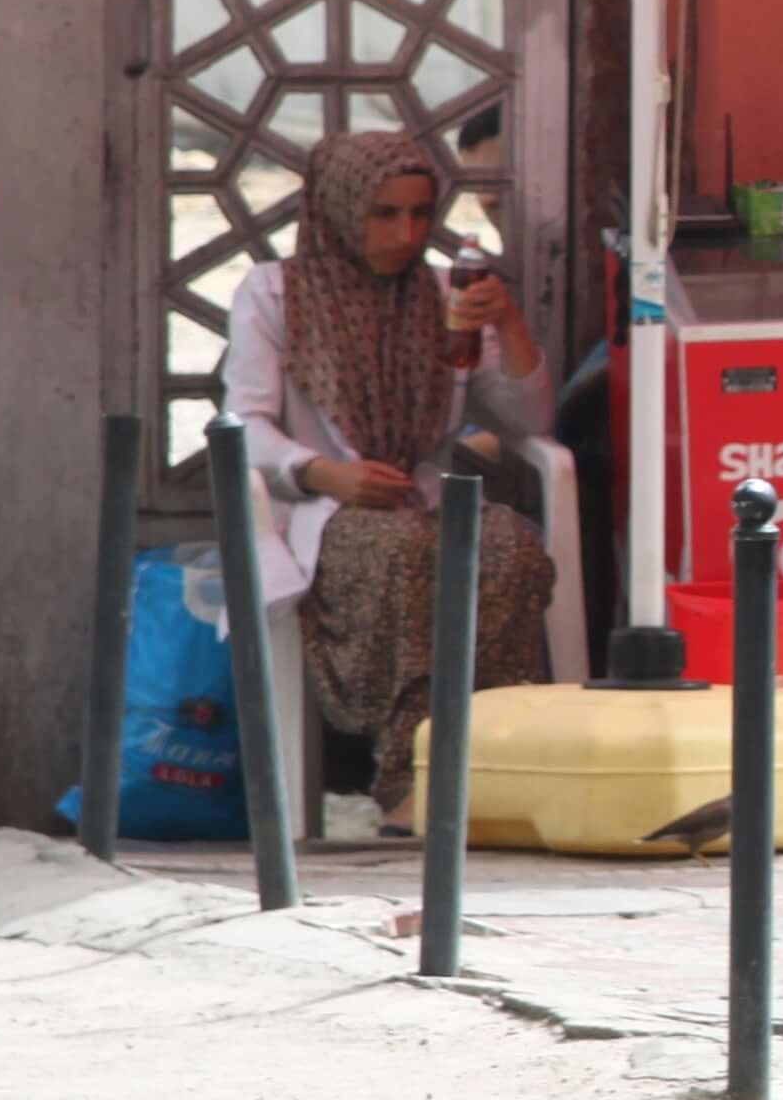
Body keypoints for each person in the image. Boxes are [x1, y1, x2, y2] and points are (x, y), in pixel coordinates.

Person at [221, 129, 558, 831]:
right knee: (404, 554)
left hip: (425, 499)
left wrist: (509, 321)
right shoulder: (275, 294)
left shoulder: (444, 296)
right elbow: (242, 425)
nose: (406, 233)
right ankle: (413, 777)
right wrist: (320, 471)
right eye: (384, 214)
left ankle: (497, 764)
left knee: (509, 550)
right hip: (323, 512)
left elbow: (528, 418)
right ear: (341, 209)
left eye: (418, 213)